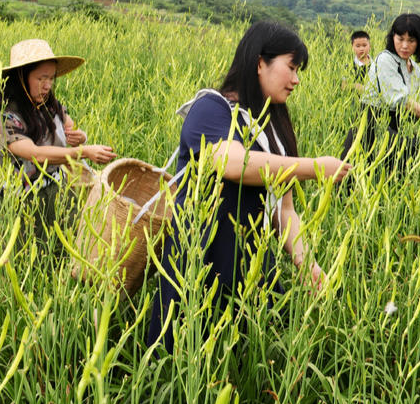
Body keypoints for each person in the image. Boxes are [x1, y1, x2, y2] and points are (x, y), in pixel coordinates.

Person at [147, 21, 351, 352]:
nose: (296, 80)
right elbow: (233, 164)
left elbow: (284, 210)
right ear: (259, 63)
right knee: (187, 353)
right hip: (201, 257)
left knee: (249, 355)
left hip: (252, 262)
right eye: (291, 67)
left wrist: (307, 265)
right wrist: (313, 167)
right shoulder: (211, 108)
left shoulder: (274, 127)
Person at [0, 39, 116, 256]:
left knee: (67, 255)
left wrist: (81, 137)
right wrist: (83, 152)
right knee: (26, 261)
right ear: (20, 78)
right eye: (41, 78)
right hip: (22, 203)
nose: (48, 85)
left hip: (60, 193)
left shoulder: (49, 106)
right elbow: (35, 154)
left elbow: (73, 129)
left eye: (51, 78)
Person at [342, 13, 420, 171]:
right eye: (400, 39)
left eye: (411, 40)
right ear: (393, 38)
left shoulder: (415, 69)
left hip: (397, 133)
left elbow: (417, 108)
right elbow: (401, 101)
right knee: (359, 178)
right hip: (372, 129)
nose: (405, 46)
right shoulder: (385, 59)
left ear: (419, 42)